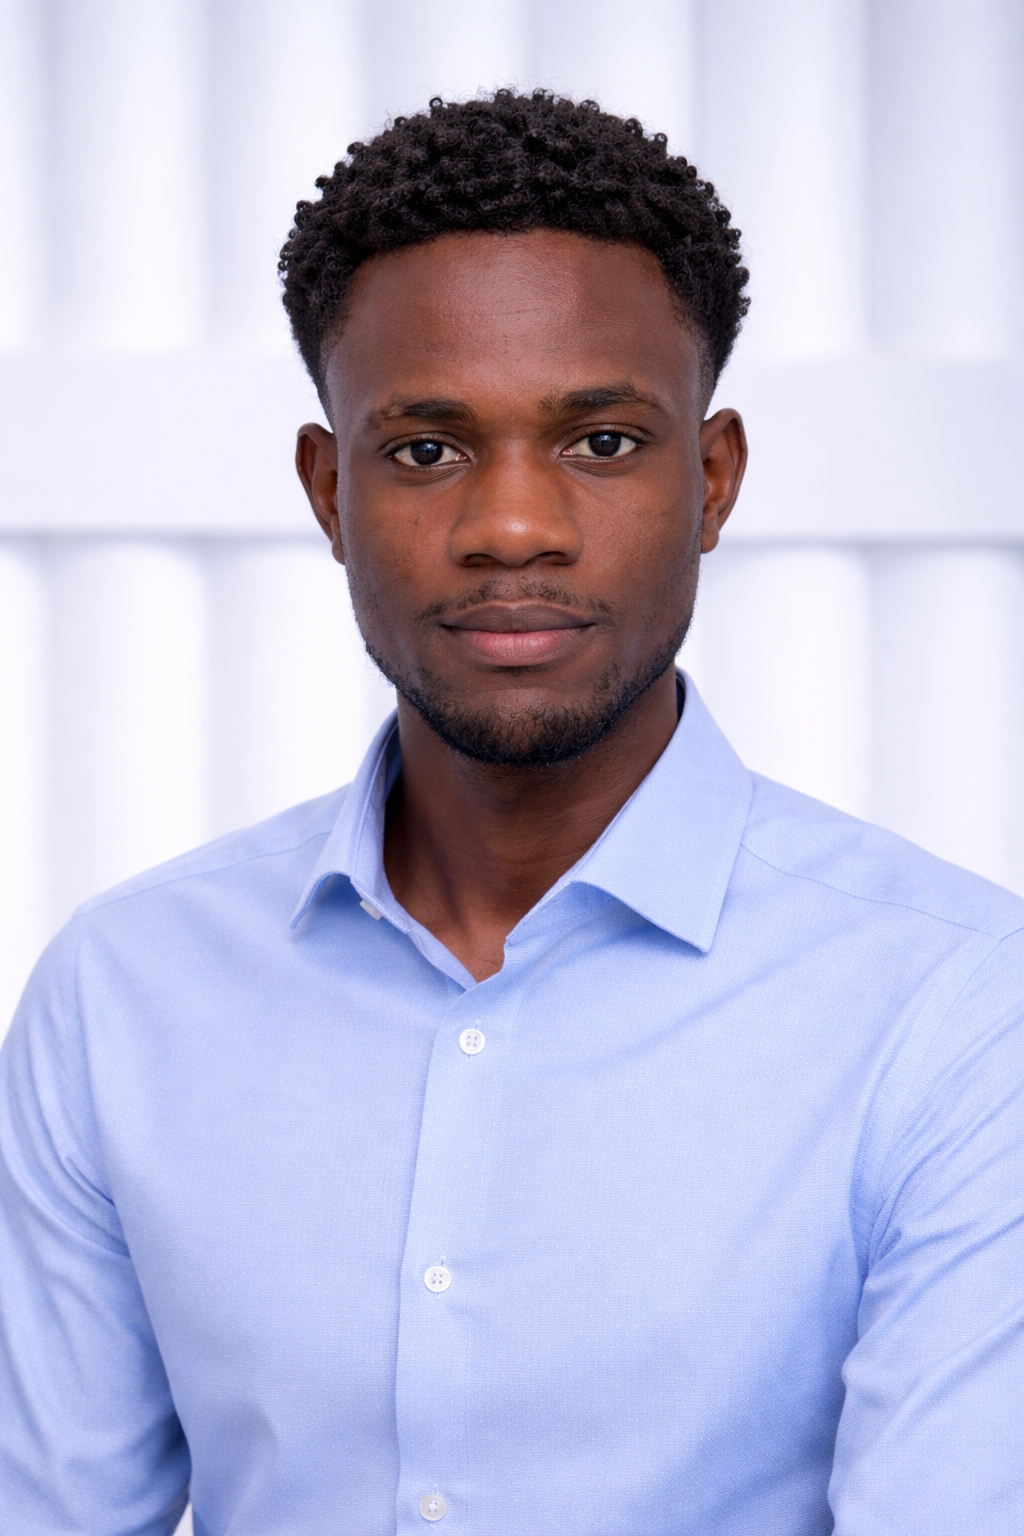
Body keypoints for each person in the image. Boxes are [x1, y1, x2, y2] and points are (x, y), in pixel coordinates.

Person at [0, 90, 1021, 1536]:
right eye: (426, 449)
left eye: (602, 441)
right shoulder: (122, 996)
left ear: (714, 479)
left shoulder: (962, 1012)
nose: (515, 526)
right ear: (327, 490)